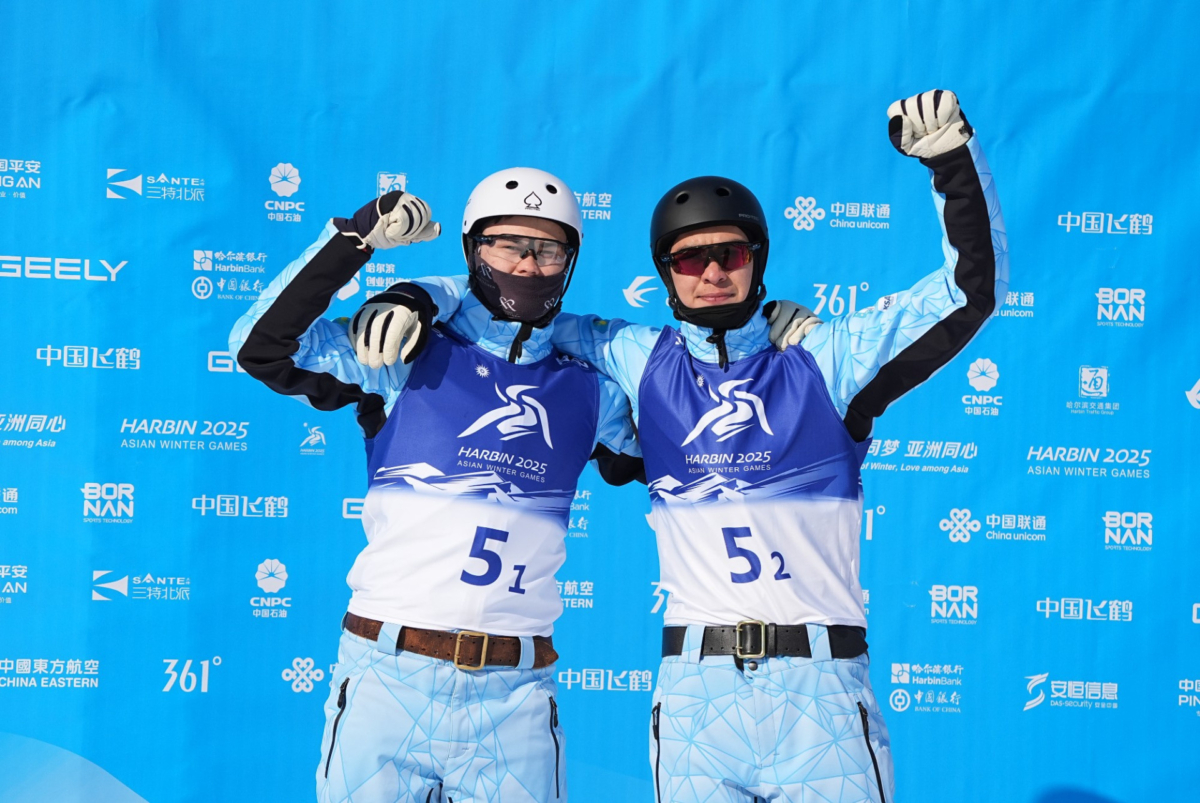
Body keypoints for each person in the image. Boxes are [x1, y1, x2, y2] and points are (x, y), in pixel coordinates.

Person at [359, 88, 1007, 803]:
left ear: (758, 260)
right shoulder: (638, 358)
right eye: (689, 259)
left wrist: (952, 162)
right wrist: (420, 294)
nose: (712, 272)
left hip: (821, 691)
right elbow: (511, 302)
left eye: (730, 253)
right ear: (666, 274)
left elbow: (968, 293)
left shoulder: (828, 359)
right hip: (699, 698)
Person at [229, 167, 643, 803]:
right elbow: (260, 348)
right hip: (387, 677)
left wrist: (768, 341)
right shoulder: (404, 350)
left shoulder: (592, 391)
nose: (527, 264)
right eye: (508, 245)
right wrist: (355, 240)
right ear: (473, 249)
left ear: (570, 260)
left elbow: (700, 448)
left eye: (548, 249)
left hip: (515, 696)